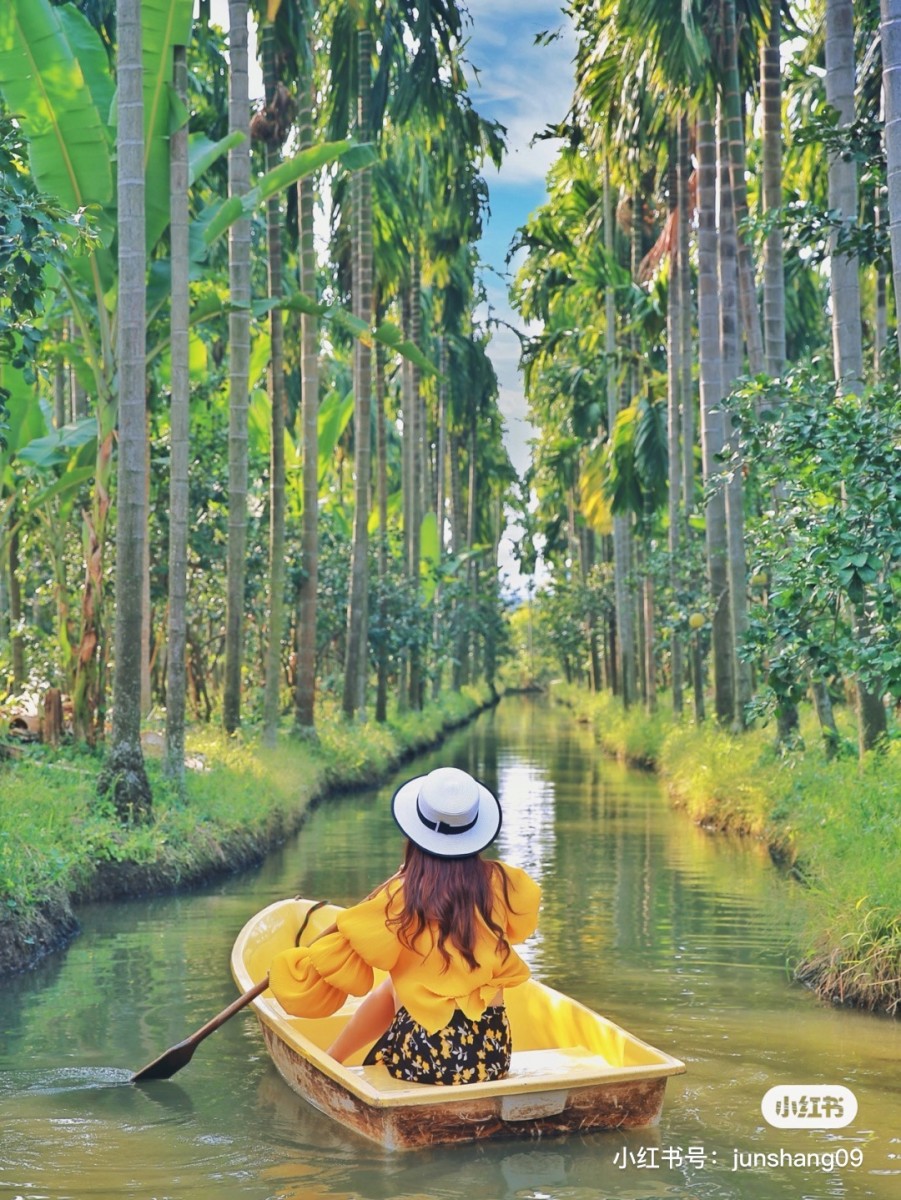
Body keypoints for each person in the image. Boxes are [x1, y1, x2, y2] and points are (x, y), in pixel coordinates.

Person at [268, 766, 541, 1086]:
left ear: (416, 835)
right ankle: (333, 1058)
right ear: (473, 833)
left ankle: (332, 1059)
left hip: (425, 1061)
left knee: (396, 980)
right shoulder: (504, 883)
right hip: (493, 1057)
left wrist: (402, 882)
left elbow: (351, 951)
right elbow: (519, 931)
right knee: (411, 980)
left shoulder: (400, 896)